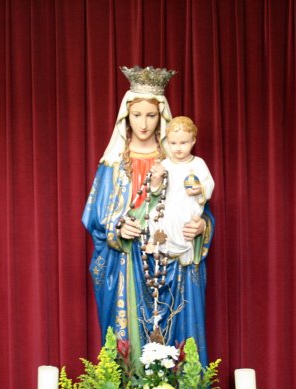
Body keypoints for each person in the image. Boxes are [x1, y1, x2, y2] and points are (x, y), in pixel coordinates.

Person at [82, 66, 214, 366]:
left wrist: (201, 227)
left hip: (174, 260)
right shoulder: (113, 164)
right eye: (137, 115)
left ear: (161, 117)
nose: (143, 124)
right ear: (125, 116)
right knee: (130, 335)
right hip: (129, 263)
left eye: (151, 115)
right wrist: (117, 227)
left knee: (177, 328)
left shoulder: (179, 160)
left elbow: (201, 209)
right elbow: (93, 217)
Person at [150, 116, 214, 266]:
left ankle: (179, 248)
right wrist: (156, 179)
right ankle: (158, 244)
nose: (178, 148)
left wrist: (200, 189)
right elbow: (155, 191)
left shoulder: (198, 163)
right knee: (154, 214)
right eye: (173, 143)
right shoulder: (165, 164)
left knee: (177, 216)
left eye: (183, 143)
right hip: (169, 202)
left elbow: (209, 183)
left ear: (193, 141)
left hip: (188, 204)